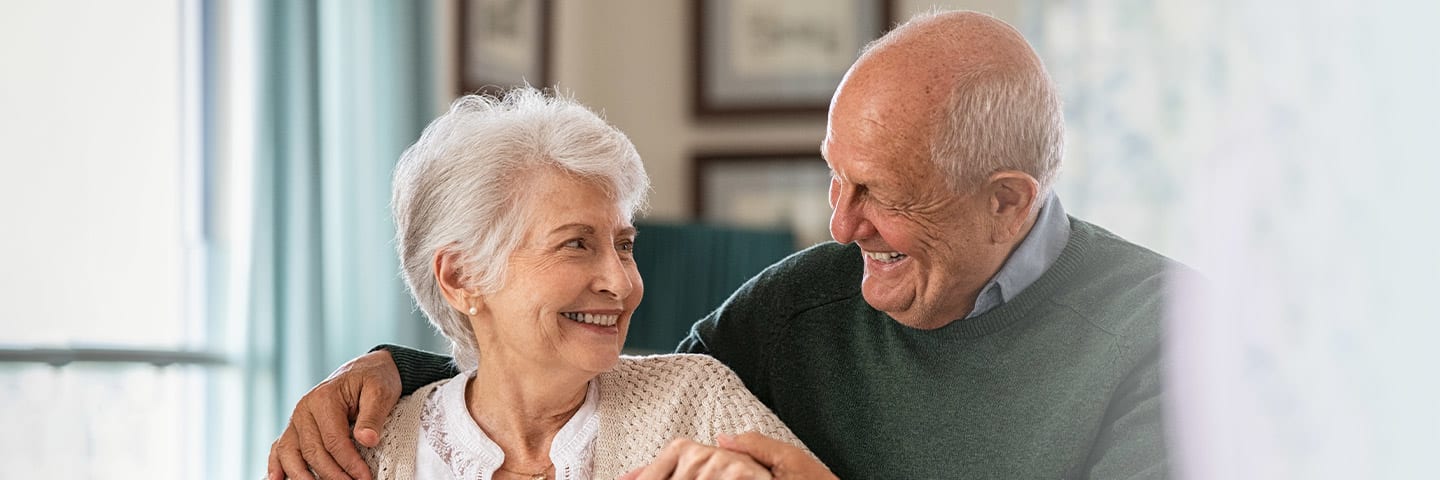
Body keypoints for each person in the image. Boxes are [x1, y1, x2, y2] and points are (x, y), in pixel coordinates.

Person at [270, 11, 1182, 479]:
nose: (840, 226)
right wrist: (398, 375)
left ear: (1007, 202)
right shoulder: (804, 305)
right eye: (835, 176)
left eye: (881, 197)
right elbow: (612, 383)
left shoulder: (1175, 343)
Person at [281, 87, 811, 479]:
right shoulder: (364, 453)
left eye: (624, 245)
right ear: (461, 276)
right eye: (576, 244)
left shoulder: (697, 400)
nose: (620, 282)